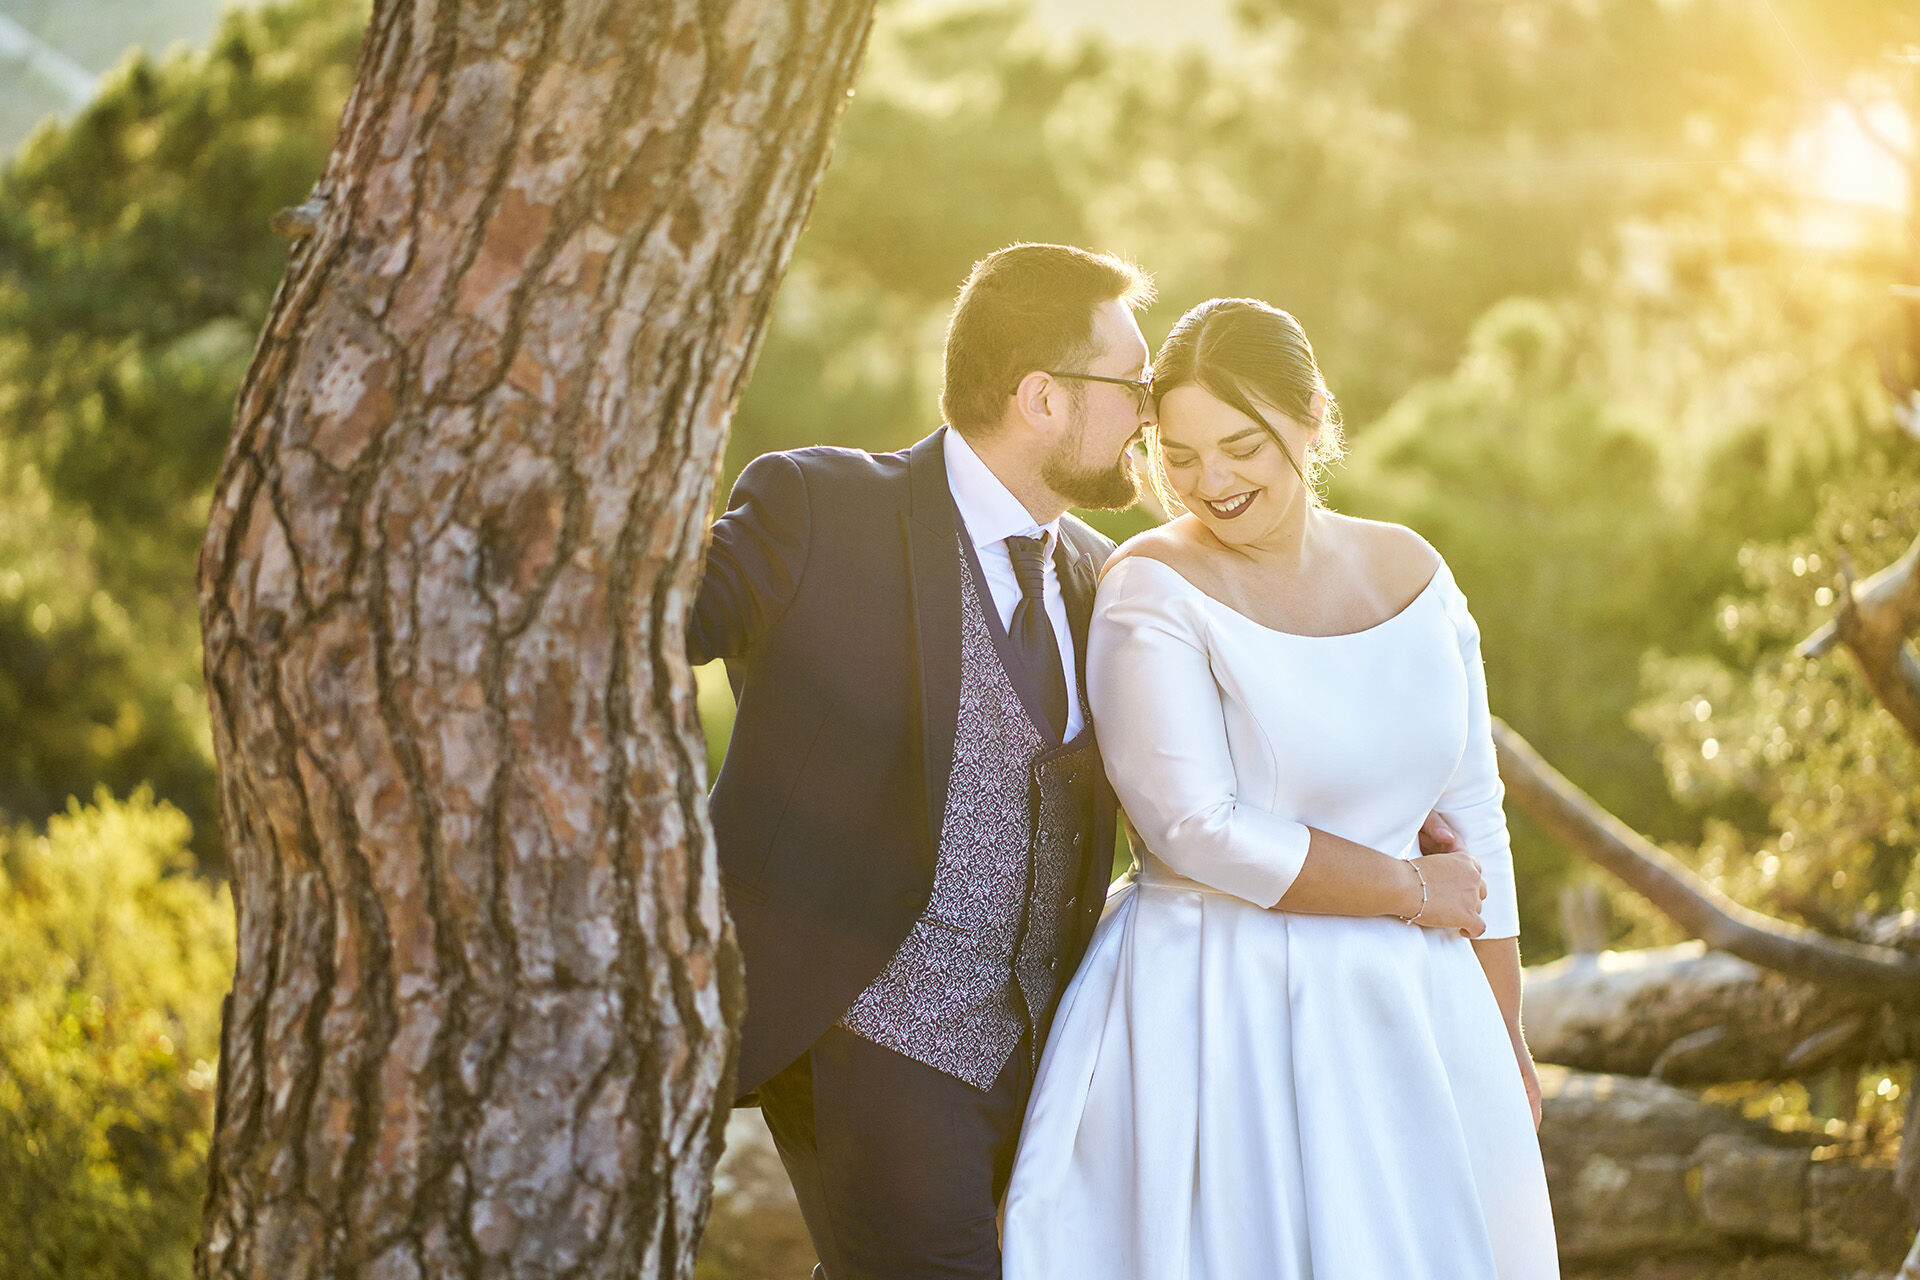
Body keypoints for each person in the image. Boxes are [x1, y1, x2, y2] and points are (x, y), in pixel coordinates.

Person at [691, 250, 1488, 1280]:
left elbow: (1181, 780)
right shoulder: (821, 506)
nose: (1152, 417)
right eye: (1134, 387)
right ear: (1042, 398)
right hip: (865, 1040)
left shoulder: (1096, 576)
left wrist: (1369, 804)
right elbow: (635, 618)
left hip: (1053, 1064)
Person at [1001, 296, 1559, 1280]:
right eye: (1177, 453)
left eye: (1243, 444)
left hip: (1413, 1006)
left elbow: (1476, 813)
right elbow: (1194, 827)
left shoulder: (1417, 572)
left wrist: (1500, 1026)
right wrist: (1406, 889)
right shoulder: (1150, 586)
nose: (1208, 481)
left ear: (1313, 416)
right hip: (1225, 999)